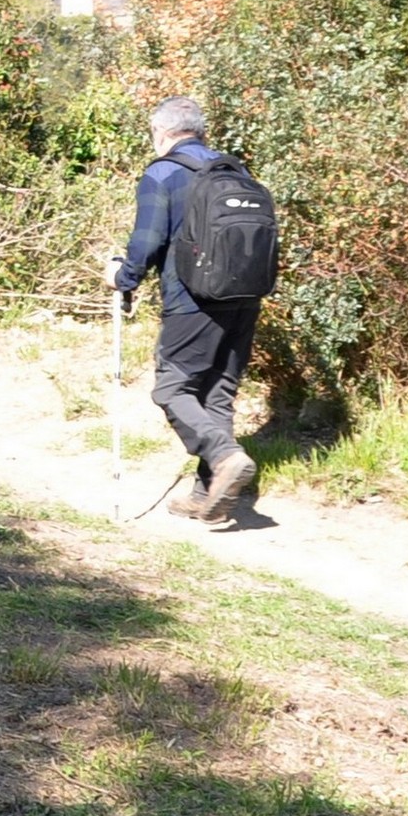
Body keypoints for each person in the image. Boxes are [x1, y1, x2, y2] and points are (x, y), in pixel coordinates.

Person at [112, 95, 277, 524]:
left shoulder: (162, 173)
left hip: (192, 301)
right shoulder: (235, 171)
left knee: (172, 389)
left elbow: (147, 240)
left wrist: (122, 278)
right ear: (201, 132)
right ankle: (208, 496)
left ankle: (224, 457)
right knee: (218, 392)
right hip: (245, 298)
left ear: (160, 132)